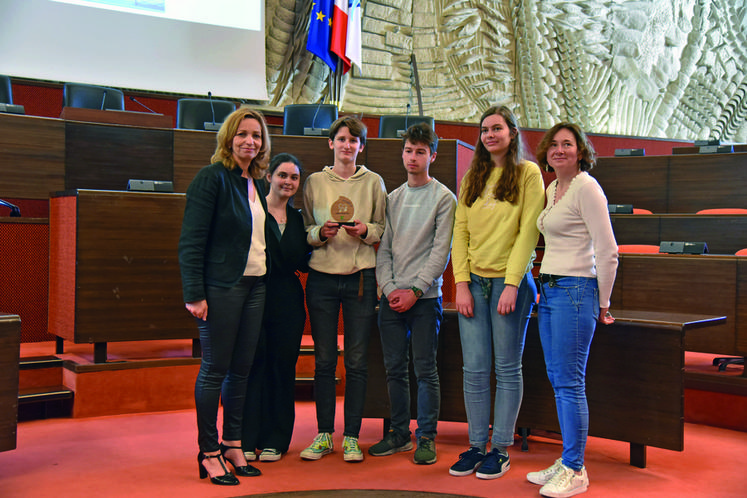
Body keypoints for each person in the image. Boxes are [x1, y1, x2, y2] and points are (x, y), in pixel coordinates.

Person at [449, 105, 545, 479]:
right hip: (473, 283)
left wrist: (511, 283)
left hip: (511, 285)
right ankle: (476, 446)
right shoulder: (474, 174)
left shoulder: (528, 173)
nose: (490, 135)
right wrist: (460, 282)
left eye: (497, 129)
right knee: (473, 370)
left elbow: (529, 232)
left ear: (512, 132)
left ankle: (500, 449)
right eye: (485, 130)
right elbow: (460, 231)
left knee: (506, 368)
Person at [178, 107, 270, 485]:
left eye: (257, 136)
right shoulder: (211, 178)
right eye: (243, 134)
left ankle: (233, 443)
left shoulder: (257, 184)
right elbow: (191, 241)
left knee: (241, 371)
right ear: (229, 138)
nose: (251, 141)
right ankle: (209, 451)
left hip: (255, 285)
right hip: (221, 288)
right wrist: (194, 294)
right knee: (215, 370)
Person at [527, 123, 618, 498]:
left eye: (568, 144)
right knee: (558, 378)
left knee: (569, 382)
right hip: (549, 290)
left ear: (580, 151)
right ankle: (567, 459)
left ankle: (576, 468)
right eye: (554, 145)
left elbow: (608, 251)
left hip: (576, 290)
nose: (559, 150)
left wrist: (604, 303)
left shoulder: (587, 188)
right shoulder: (552, 189)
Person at [300, 115, 387, 463]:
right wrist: (320, 234)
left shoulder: (374, 182)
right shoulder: (314, 182)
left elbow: (382, 228)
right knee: (323, 360)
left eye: (354, 140)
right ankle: (323, 434)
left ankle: (351, 436)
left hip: (361, 278)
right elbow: (305, 229)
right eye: (341, 139)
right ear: (331, 143)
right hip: (321, 277)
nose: (347, 145)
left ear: (361, 147)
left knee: (357, 360)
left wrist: (365, 230)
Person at [369, 123, 456, 464]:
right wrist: (390, 289)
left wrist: (414, 290)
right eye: (409, 150)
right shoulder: (393, 198)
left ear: (432, 156)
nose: (413, 157)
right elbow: (384, 250)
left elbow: (440, 253)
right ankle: (400, 434)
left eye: (421, 151)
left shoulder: (444, 198)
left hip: (425, 299)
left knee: (425, 369)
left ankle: (426, 437)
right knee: (394, 369)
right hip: (391, 298)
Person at [241, 153, 311, 462]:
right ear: (268, 176)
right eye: (282, 175)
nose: (288, 182)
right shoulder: (252, 211)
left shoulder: (298, 219)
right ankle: (246, 438)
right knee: (253, 367)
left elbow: (304, 261)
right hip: (255, 296)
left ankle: (277, 439)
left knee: (283, 369)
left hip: (289, 301)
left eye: (294, 177)